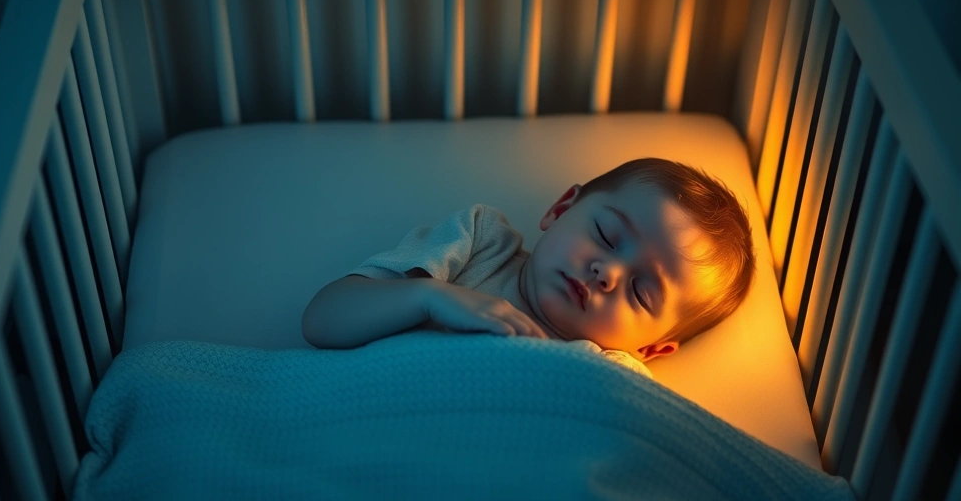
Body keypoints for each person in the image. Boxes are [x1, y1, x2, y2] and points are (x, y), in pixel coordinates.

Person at [301, 158, 755, 378]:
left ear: (651, 349)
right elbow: (322, 320)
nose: (607, 273)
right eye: (606, 236)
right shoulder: (480, 243)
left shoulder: (614, 375)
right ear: (560, 210)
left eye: (641, 293)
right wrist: (430, 298)